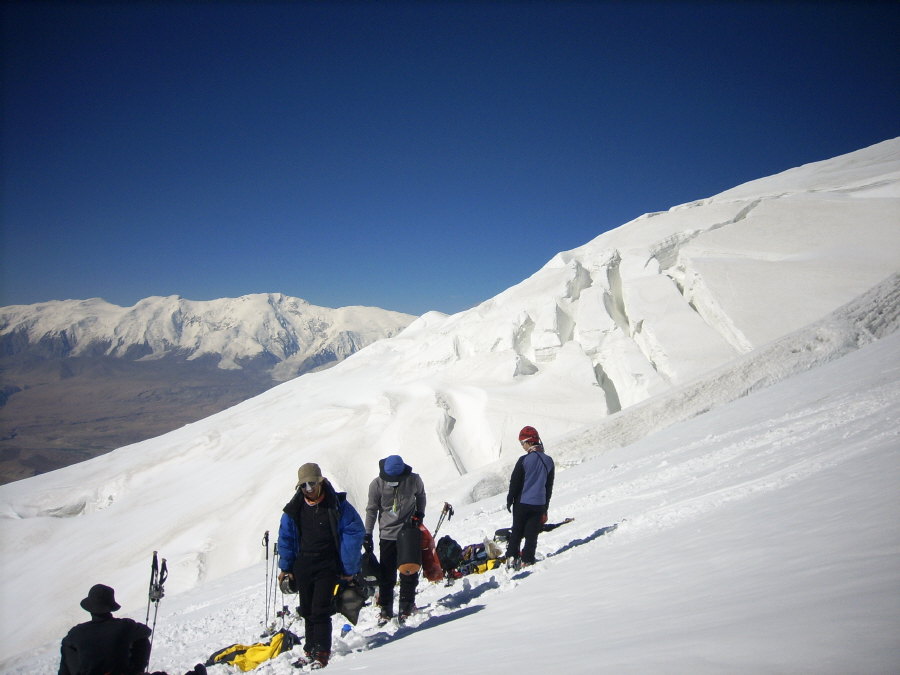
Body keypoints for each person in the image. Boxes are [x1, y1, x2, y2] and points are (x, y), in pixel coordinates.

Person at [277, 463, 365, 670]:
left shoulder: (338, 506)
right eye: (303, 486)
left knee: (320, 609)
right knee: (307, 609)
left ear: (321, 481)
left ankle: (322, 653)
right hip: (303, 566)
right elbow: (286, 539)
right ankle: (310, 651)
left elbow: (354, 533)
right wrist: (286, 568)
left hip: (328, 564)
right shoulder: (293, 510)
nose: (308, 489)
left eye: (312, 484)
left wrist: (348, 569)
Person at [364, 454, 426, 623]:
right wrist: (367, 534)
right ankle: (385, 609)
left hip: (408, 532)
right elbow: (371, 510)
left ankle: (407, 604)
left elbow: (421, 495)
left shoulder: (414, 480)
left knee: (409, 569)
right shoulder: (376, 484)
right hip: (387, 535)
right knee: (386, 574)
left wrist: (419, 514)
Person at [58, 583, 151, 675]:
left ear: (90, 608)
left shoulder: (76, 633)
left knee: (68, 648)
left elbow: (64, 669)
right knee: (141, 640)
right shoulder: (125, 626)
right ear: (110, 607)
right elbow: (146, 631)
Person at [505, 426, 555, 568]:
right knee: (532, 534)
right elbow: (548, 487)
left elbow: (515, 482)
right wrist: (545, 507)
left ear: (529, 442)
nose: (522, 446)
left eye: (523, 443)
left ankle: (512, 558)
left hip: (522, 502)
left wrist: (510, 499)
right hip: (539, 504)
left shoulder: (524, 460)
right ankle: (527, 559)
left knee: (517, 531)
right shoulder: (549, 461)